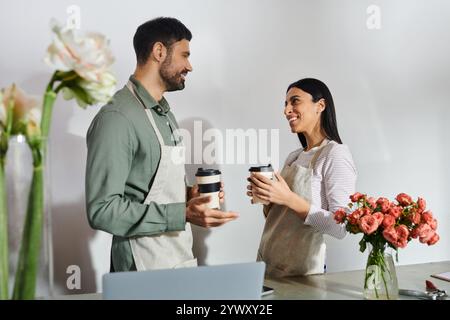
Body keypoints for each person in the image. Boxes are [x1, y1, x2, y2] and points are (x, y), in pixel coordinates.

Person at [85, 17, 238, 272]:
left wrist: (190, 197)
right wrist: (183, 214)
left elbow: (153, 186)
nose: (190, 66)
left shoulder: (164, 113)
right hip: (140, 269)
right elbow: (103, 210)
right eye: (185, 55)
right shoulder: (117, 118)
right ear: (159, 52)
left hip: (176, 260)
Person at [247, 78, 357, 277]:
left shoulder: (335, 154)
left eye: (295, 101)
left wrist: (288, 198)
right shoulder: (294, 156)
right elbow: (279, 219)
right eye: (285, 104)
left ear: (320, 105)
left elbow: (341, 227)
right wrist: (268, 199)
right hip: (269, 262)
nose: (287, 110)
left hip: (302, 271)